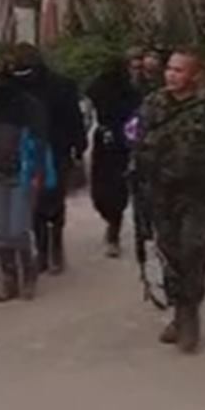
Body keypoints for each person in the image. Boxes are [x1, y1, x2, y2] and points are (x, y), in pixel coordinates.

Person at [131, 49, 205, 354]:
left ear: (195, 76)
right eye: (169, 68)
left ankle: (190, 313)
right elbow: (137, 141)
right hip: (158, 194)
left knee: (195, 251)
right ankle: (179, 314)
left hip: (195, 195)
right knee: (169, 254)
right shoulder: (153, 104)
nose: (171, 74)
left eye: (179, 70)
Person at [0, 55, 54, 302]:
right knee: (2, 231)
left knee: (18, 229)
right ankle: (9, 280)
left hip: (22, 174)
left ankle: (28, 276)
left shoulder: (30, 106)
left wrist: (36, 174)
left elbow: (39, 143)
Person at [8, 42, 84, 275]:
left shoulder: (62, 86)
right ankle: (42, 251)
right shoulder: (13, 87)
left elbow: (74, 119)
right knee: (34, 204)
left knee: (54, 202)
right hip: (26, 151)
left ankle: (56, 247)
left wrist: (79, 148)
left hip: (57, 150)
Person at [85, 47, 146, 258]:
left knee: (112, 186)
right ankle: (113, 222)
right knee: (110, 186)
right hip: (109, 139)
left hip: (119, 140)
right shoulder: (101, 88)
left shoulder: (132, 92)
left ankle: (114, 229)